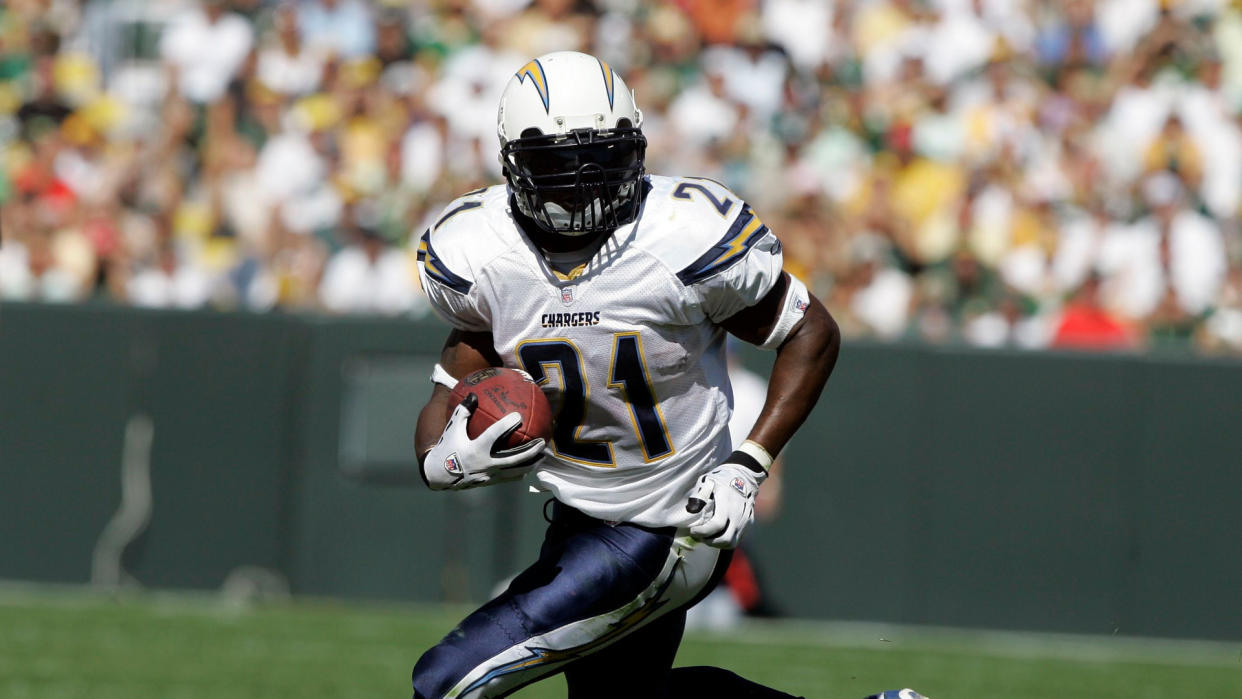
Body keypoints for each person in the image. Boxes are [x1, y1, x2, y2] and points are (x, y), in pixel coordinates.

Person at [410, 51, 839, 699]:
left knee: (447, 682)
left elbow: (811, 331)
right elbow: (454, 373)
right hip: (578, 519)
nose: (582, 188)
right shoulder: (479, 249)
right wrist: (439, 458)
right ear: (515, 164)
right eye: (557, 166)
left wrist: (748, 463)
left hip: (670, 521)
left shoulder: (682, 233)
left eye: (601, 162)